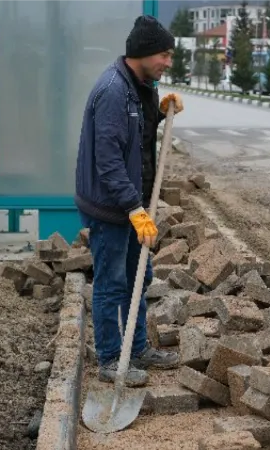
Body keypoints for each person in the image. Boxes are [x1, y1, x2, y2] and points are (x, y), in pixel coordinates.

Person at [74, 15, 185, 387]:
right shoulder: (112, 91)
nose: (168, 63)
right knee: (112, 283)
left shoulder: (142, 85)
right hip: (112, 209)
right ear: (144, 52)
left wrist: (159, 111)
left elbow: (135, 136)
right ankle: (109, 358)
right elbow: (108, 160)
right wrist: (133, 208)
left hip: (135, 206)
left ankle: (137, 350)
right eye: (165, 56)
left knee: (141, 275)